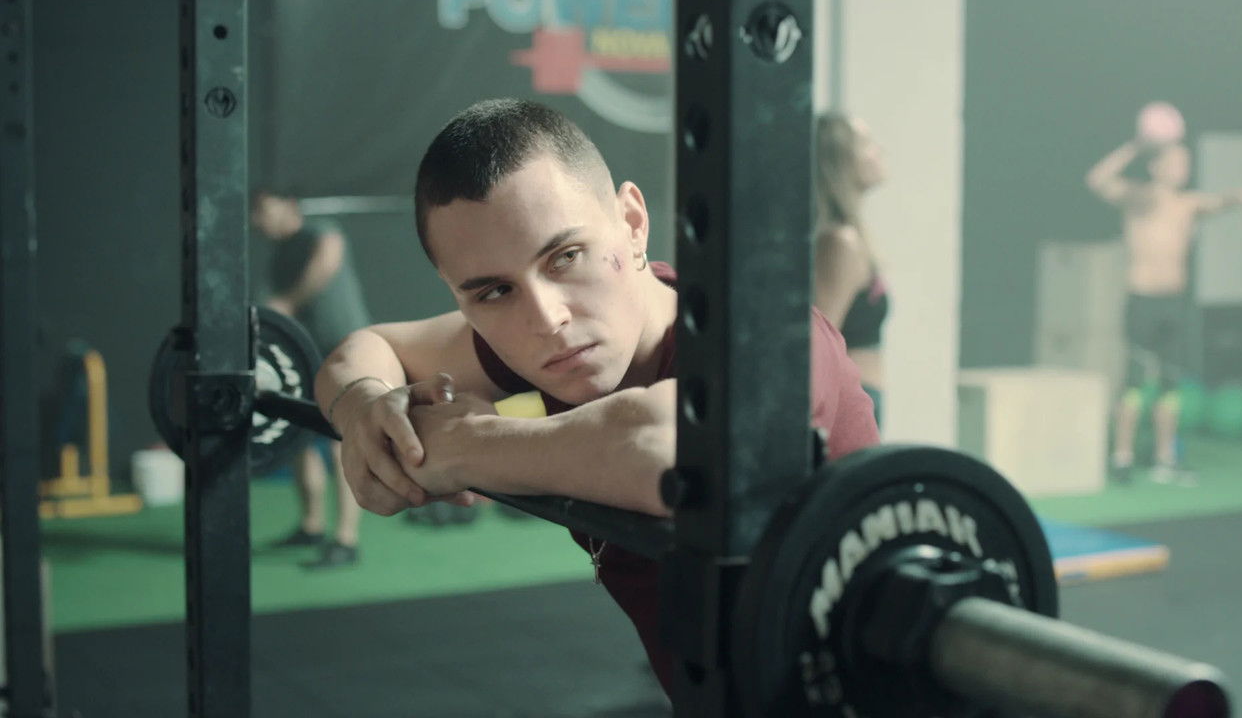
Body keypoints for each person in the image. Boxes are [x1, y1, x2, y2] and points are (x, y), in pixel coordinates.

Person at [314, 99, 880, 694]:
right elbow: (364, 349)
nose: (547, 319)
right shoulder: (547, 344)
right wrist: (366, 411)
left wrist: (459, 446)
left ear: (632, 223)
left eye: (565, 257)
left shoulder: (764, 331)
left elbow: (667, 452)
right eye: (494, 292)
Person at [1085, 102, 1242, 482]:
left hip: (1173, 304)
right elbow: (1097, 179)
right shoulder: (1137, 198)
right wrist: (1137, 145)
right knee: (1135, 383)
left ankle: (1165, 459)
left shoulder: (1187, 204)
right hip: (1143, 301)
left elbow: (1218, 202)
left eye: (1186, 163)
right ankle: (1122, 457)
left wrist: (1239, 197)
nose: (1183, 168)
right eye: (1175, 162)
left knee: (1171, 384)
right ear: (1156, 166)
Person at [253, 189, 373, 568]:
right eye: (255, 214)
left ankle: (346, 540)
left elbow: (327, 258)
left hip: (345, 351)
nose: (258, 220)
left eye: (264, 210)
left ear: (289, 206)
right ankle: (311, 525)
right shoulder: (279, 256)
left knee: (341, 441)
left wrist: (289, 299)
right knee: (300, 439)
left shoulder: (320, 231)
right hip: (304, 356)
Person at [813, 113, 890, 422]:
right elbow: (820, 341)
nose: (879, 150)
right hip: (849, 407)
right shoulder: (840, 243)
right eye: (866, 144)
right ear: (841, 160)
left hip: (865, 401)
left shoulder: (853, 237)